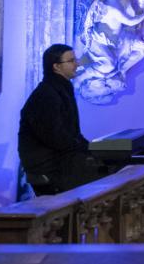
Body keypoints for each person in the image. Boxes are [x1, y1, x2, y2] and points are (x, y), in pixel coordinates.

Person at [18, 44, 104, 194]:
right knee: (108, 172)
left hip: (63, 159)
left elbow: (72, 134)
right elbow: (57, 139)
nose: (77, 64)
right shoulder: (46, 95)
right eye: (71, 61)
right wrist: (88, 151)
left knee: (116, 157)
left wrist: (94, 149)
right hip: (51, 166)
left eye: (75, 60)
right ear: (56, 67)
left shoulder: (60, 89)